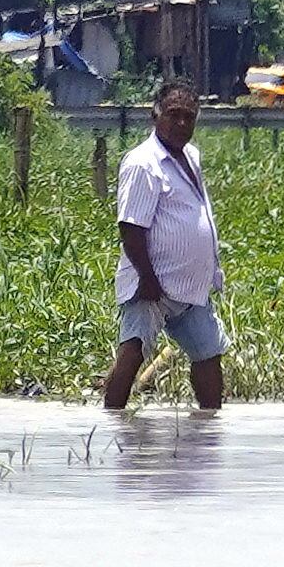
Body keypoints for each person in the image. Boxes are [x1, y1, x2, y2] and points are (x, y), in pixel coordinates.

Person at [104, 80, 229, 414]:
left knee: (208, 352)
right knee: (133, 352)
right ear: (154, 115)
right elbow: (130, 226)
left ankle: (209, 425)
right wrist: (147, 278)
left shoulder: (191, 156)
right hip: (153, 286)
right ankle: (109, 422)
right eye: (174, 115)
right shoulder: (143, 163)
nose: (182, 124)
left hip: (189, 288)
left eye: (189, 117)